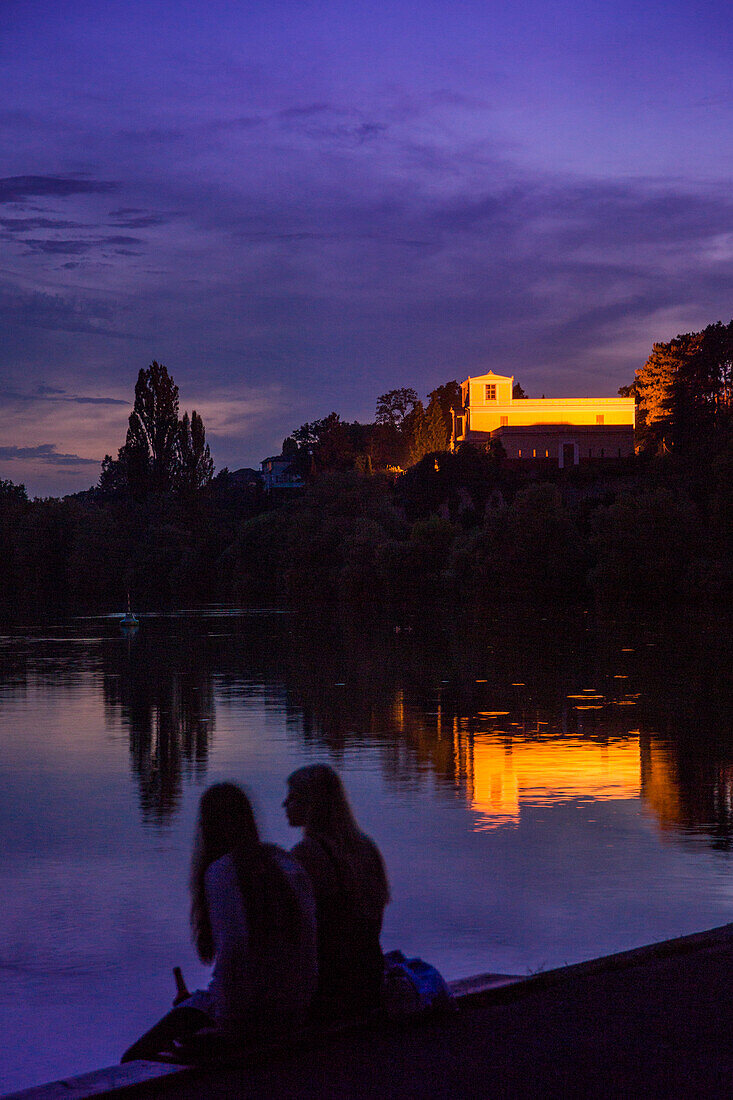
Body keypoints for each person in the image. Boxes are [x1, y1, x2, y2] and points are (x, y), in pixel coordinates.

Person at [122, 782, 317, 1062]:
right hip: (296, 1008)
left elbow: (234, 952)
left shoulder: (223, 871)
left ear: (209, 826)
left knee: (134, 1058)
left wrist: (224, 1025)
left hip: (246, 1018)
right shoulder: (285, 861)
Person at [284, 764, 390, 1020]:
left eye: (293, 797)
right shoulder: (366, 847)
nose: (284, 804)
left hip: (331, 988)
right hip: (370, 977)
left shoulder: (306, 855)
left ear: (312, 803)